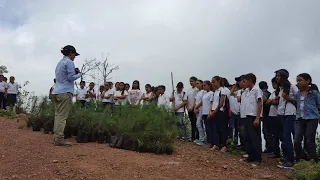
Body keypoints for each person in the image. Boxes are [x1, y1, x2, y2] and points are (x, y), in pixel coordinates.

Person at [52, 45, 81, 146]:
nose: (75, 57)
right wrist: (79, 74)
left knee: (58, 115)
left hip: (56, 91)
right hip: (65, 92)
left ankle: (56, 137)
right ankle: (59, 138)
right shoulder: (69, 62)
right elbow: (70, 77)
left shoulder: (60, 63)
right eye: (74, 54)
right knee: (62, 117)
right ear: (71, 53)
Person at [294, 73, 319, 163]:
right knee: (296, 141)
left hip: (312, 119)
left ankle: (315, 161)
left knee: (309, 141)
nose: (298, 83)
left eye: (300, 80)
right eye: (297, 81)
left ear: (307, 81)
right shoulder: (297, 94)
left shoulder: (314, 93)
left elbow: (319, 105)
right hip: (300, 119)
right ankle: (300, 158)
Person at [275, 69, 298, 169]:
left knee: (287, 137)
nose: (277, 77)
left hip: (290, 114)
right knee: (283, 137)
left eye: (278, 75)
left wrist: (288, 98)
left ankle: (290, 161)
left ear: (284, 76)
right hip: (281, 114)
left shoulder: (292, 87)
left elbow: (300, 100)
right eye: (276, 75)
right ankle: (286, 158)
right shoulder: (280, 88)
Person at [241, 73, 263, 165]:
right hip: (247, 116)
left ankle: (257, 159)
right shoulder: (246, 91)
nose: (243, 83)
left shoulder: (256, 90)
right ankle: (250, 156)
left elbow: (260, 103)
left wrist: (257, 118)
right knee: (248, 137)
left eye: (244, 81)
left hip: (253, 116)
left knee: (255, 138)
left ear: (250, 80)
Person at [209, 76, 229, 152]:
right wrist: (211, 111)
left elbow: (221, 103)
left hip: (220, 111)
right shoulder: (215, 92)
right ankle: (216, 144)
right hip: (214, 111)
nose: (212, 83)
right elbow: (213, 102)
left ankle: (224, 145)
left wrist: (214, 111)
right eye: (211, 82)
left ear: (218, 81)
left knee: (222, 128)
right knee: (215, 128)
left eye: (213, 82)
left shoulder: (222, 90)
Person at [266, 77, 281, 158]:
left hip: (277, 116)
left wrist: (272, 101)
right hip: (271, 115)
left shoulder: (279, 92)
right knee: (273, 135)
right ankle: (275, 151)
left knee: (279, 135)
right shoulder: (273, 93)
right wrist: (272, 101)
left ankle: (279, 152)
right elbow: (268, 102)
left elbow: (276, 102)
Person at [259, 81, 272, 154]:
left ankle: (270, 149)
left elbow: (263, 100)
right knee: (266, 132)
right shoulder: (268, 93)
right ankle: (268, 148)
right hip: (266, 115)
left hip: (267, 115)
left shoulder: (266, 94)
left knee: (267, 132)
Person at [201, 80, 214, 148]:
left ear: (209, 85)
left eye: (205, 85)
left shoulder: (211, 93)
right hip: (204, 112)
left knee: (210, 128)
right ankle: (208, 141)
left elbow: (211, 103)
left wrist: (210, 112)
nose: (203, 86)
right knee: (207, 128)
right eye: (203, 85)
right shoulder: (204, 93)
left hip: (208, 112)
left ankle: (211, 142)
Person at [186, 76, 199, 142]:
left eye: (192, 81)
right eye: (190, 81)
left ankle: (197, 137)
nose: (191, 82)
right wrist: (187, 107)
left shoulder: (197, 90)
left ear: (195, 81)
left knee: (196, 123)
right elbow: (187, 99)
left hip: (195, 109)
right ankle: (192, 137)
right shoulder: (189, 90)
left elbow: (195, 99)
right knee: (192, 123)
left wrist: (192, 107)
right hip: (189, 109)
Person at [193, 80, 205, 145]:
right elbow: (195, 100)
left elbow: (202, 101)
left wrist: (196, 107)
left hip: (202, 110)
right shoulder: (197, 92)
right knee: (198, 125)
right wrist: (195, 108)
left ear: (201, 84)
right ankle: (201, 138)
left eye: (198, 83)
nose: (196, 85)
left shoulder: (204, 92)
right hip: (197, 110)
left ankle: (202, 139)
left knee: (200, 124)